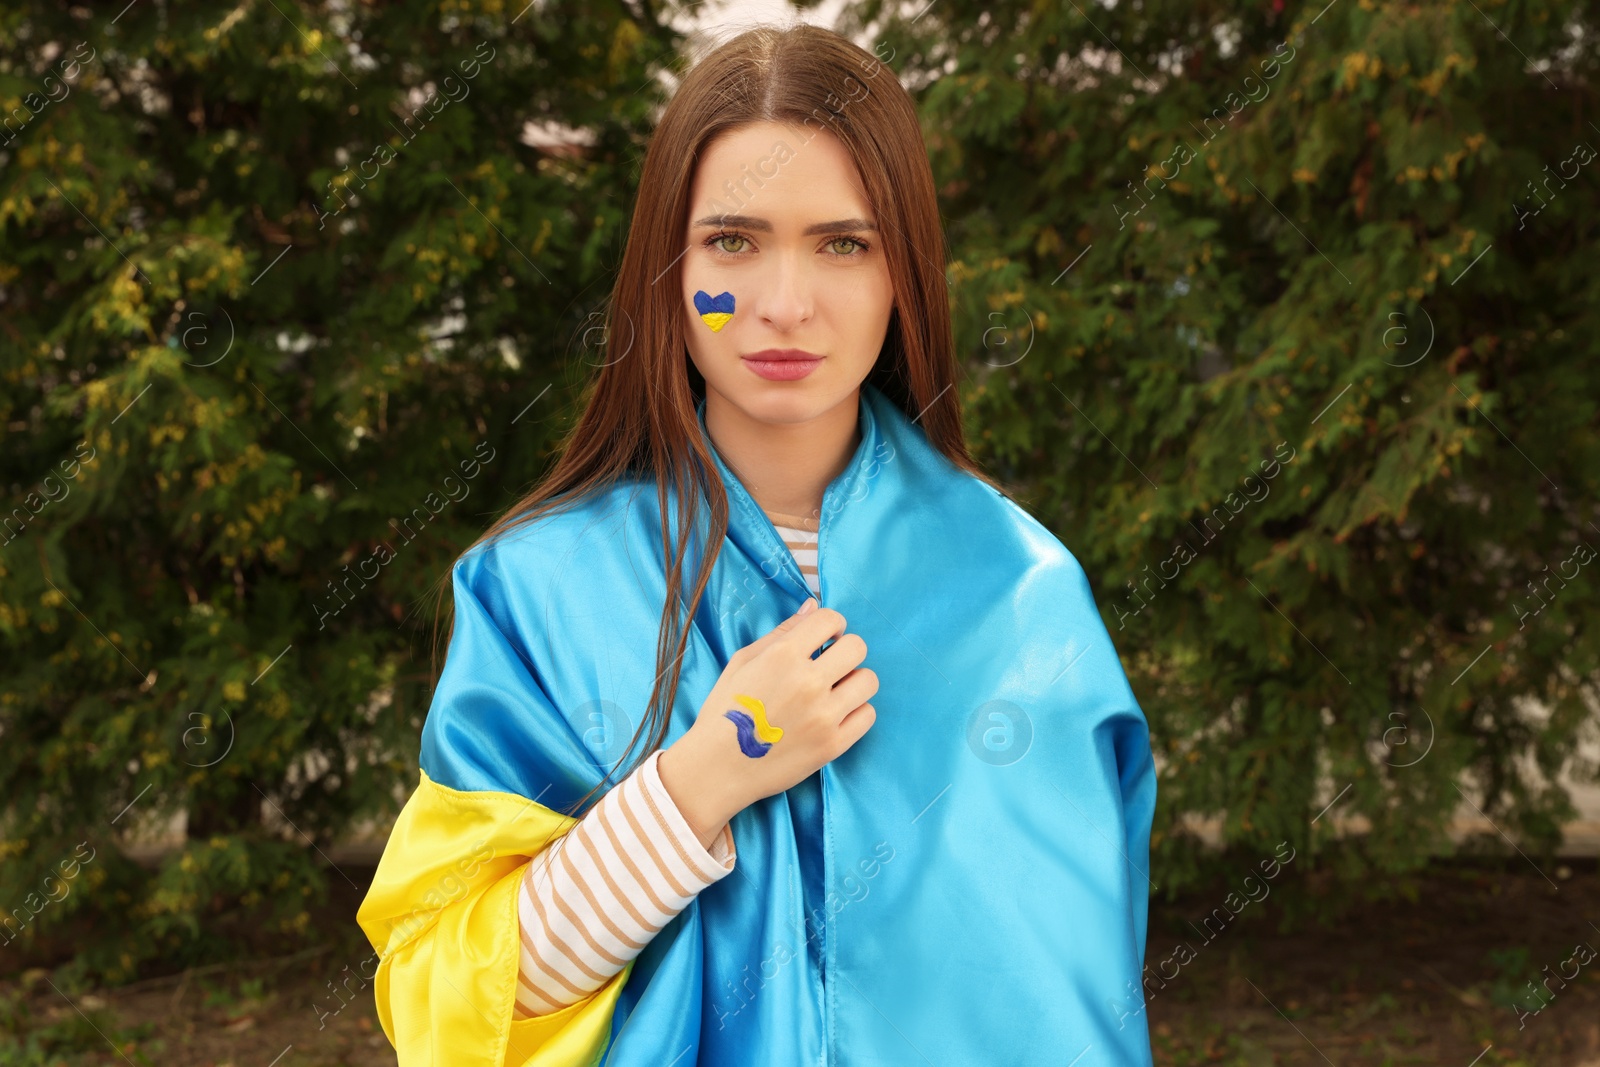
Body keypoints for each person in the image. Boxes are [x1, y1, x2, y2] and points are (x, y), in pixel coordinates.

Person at [356, 22, 1157, 1067]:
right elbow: (449, 998)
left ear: (903, 273)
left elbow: (1075, 1002)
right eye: (733, 241)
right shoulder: (539, 591)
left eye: (843, 243)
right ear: (669, 272)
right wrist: (703, 776)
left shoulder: (1022, 597)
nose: (785, 304)